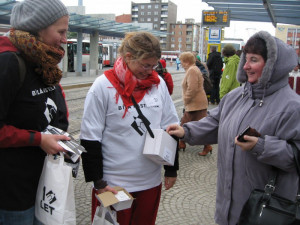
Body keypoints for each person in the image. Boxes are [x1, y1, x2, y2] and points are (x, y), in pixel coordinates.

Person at [167, 31, 300, 225]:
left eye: (253, 60)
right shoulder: (236, 96)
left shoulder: (293, 106)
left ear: (273, 65)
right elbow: (215, 123)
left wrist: (262, 146)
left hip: (264, 211)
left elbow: (296, 156)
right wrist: (186, 131)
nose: (245, 65)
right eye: (246, 59)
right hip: (227, 205)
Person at [80, 31, 180, 225]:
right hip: (113, 183)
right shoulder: (102, 86)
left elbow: (171, 127)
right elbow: (90, 137)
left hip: (150, 181)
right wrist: (99, 183)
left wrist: (171, 169)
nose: (150, 70)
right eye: (145, 65)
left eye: (153, 65)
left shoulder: (157, 84)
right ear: (128, 57)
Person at [0, 0, 70, 224]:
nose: (65, 39)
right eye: (60, 31)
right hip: (13, 192)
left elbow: (56, 110)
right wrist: (38, 139)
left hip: (44, 182)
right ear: (38, 28)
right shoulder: (9, 62)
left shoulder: (44, 60)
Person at [178, 52, 212, 156]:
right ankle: (183, 143)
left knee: (186, 124)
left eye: (182, 61)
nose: (181, 64)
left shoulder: (192, 70)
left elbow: (192, 88)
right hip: (197, 104)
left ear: (187, 61)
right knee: (193, 125)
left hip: (195, 104)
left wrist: (186, 100)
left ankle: (183, 143)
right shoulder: (193, 69)